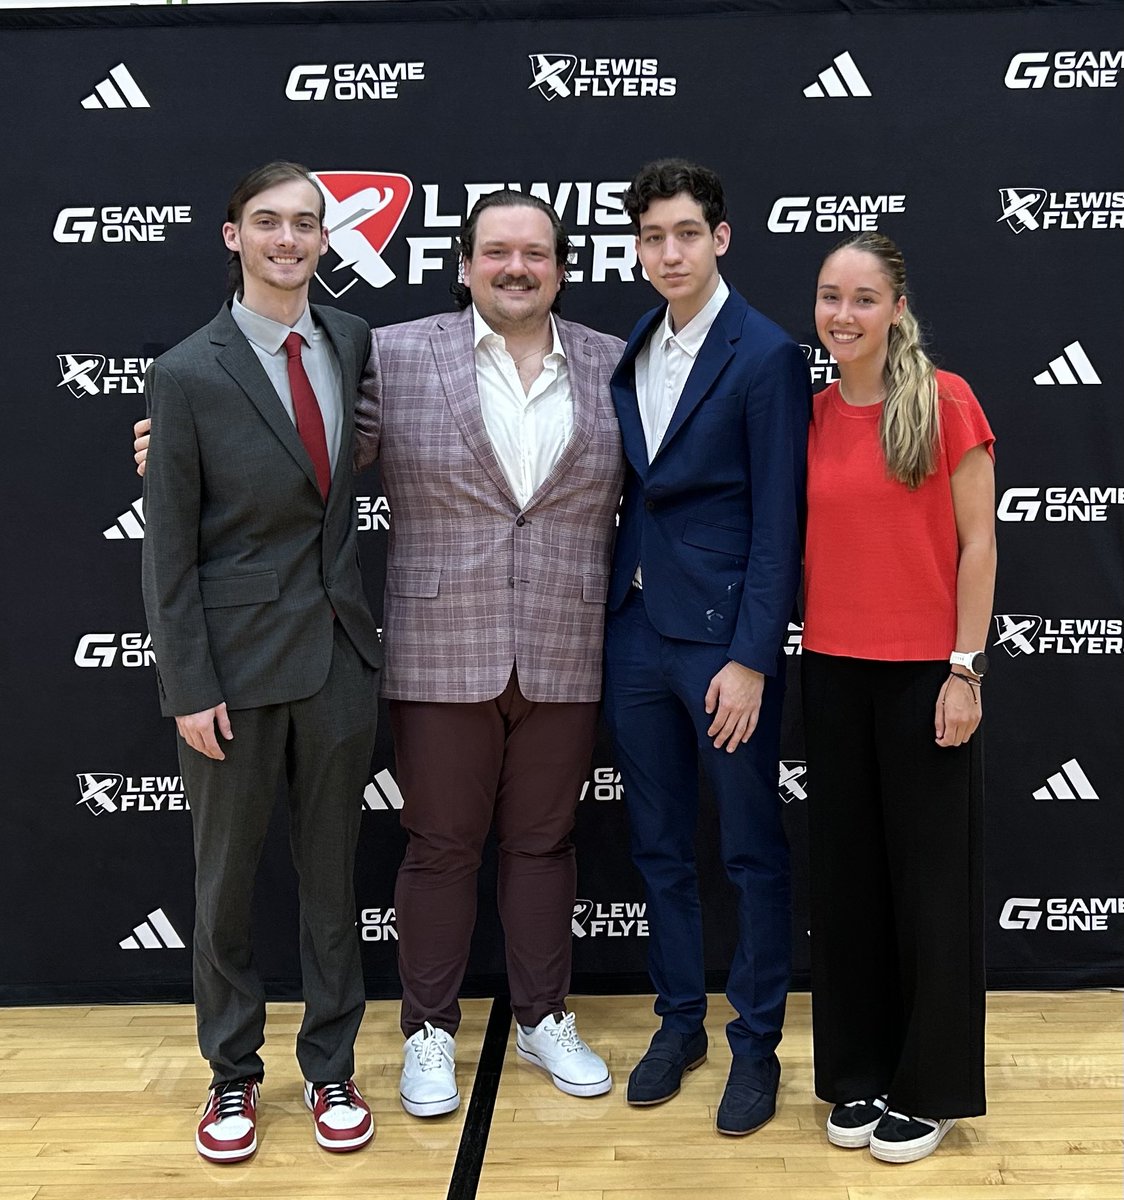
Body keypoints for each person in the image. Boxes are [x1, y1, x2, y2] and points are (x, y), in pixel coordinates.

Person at [136, 189, 620, 1119]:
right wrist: (178, 443)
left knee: (545, 844)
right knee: (438, 848)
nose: (515, 267)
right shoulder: (388, 352)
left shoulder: (610, 361)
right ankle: (428, 1031)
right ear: (466, 263)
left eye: (536, 253)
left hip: (566, 639)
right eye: (495, 252)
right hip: (439, 646)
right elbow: (297, 441)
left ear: (562, 265)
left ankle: (542, 1016)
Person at [140, 162, 382, 1162]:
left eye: (305, 225)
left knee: (332, 882)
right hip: (232, 674)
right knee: (224, 888)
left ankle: (331, 1068)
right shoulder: (188, 371)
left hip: (334, 656)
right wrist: (188, 685)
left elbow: (329, 462)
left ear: (324, 243)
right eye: (267, 223)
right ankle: (232, 1077)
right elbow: (168, 549)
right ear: (232, 236)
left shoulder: (351, 339)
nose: (289, 239)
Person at [602, 159, 810, 1136]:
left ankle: (754, 1045)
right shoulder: (638, 338)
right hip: (634, 631)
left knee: (747, 851)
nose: (668, 251)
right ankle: (677, 1021)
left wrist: (750, 658)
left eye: (685, 233)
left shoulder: (764, 353)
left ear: (719, 238)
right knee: (655, 847)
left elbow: (778, 522)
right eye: (652, 237)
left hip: (720, 646)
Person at [801, 232, 994, 1164]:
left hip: (926, 675)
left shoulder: (945, 400)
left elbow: (979, 544)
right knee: (848, 889)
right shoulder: (811, 415)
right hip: (833, 672)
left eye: (864, 297)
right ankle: (857, 1073)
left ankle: (931, 1086)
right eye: (831, 296)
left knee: (929, 890)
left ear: (897, 309)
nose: (844, 314)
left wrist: (964, 667)